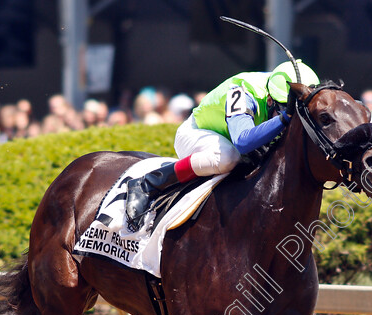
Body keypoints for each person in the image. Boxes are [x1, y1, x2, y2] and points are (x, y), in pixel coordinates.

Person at [125, 60, 320, 228]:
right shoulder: (242, 92)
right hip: (198, 134)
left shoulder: (280, 85)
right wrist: (285, 118)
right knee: (228, 157)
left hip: (230, 137)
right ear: (270, 100)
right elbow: (243, 141)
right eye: (285, 110)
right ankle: (151, 182)